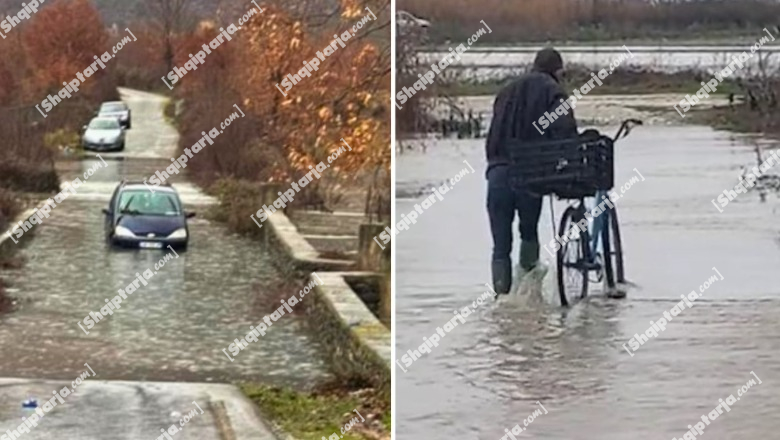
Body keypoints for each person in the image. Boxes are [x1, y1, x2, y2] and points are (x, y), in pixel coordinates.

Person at [485, 48, 578, 295]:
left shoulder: (505, 92)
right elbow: (564, 129)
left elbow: (493, 135)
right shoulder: (553, 91)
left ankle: (502, 299)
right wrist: (566, 160)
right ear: (557, 71)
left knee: (500, 245)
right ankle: (528, 294)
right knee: (528, 231)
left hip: (497, 174)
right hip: (529, 175)